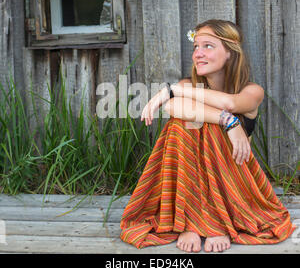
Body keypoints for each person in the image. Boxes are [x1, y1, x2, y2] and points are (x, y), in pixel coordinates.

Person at [119, 19, 296, 253]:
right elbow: (172, 108)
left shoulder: (251, 91)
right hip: (191, 180)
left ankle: (215, 219)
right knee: (182, 123)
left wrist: (172, 90)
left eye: (208, 46)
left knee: (207, 122)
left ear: (230, 53)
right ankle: (192, 217)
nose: (198, 54)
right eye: (196, 47)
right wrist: (227, 121)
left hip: (232, 184)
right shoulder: (188, 86)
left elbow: (229, 103)